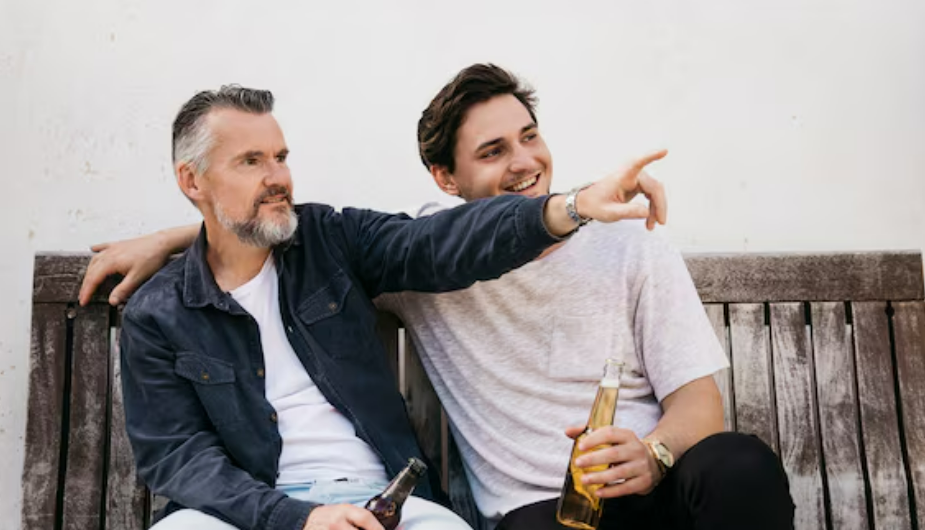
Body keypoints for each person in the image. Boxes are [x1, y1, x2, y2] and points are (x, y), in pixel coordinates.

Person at [82, 66, 793, 530]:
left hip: (615, 485)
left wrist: (573, 206)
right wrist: (181, 238)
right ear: (443, 181)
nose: (524, 164)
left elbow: (437, 245)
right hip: (521, 514)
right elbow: (178, 457)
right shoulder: (167, 308)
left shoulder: (335, 241)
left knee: (737, 464)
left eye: (282, 158)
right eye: (491, 152)